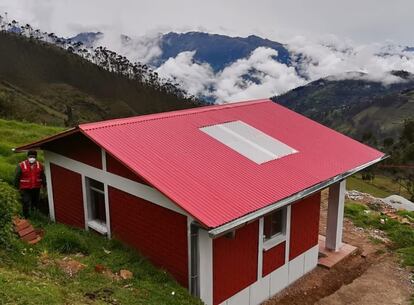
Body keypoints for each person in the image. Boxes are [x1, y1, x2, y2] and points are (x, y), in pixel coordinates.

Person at [14, 150, 46, 218]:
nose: (32, 158)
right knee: (26, 201)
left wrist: (44, 185)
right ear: (27, 157)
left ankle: (34, 215)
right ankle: (26, 216)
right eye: (30, 156)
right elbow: (16, 177)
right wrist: (16, 188)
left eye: (33, 157)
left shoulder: (40, 165)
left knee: (35, 202)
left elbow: (43, 176)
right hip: (25, 188)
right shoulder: (21, 165)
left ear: (36, 157)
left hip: (36, 188)